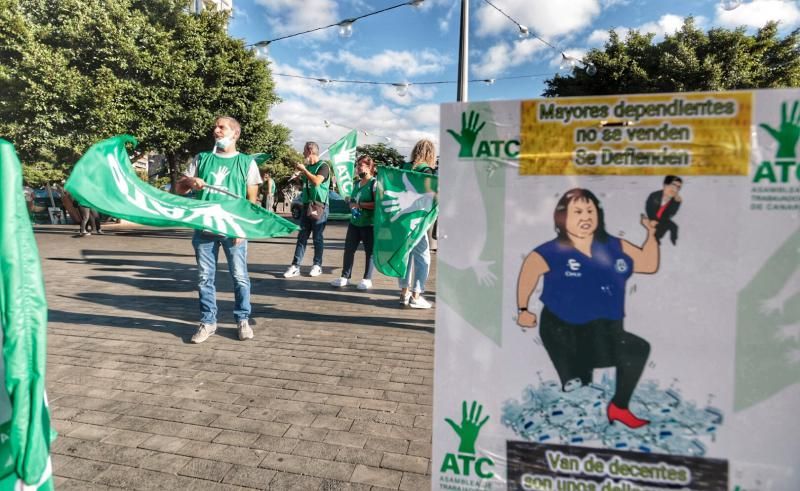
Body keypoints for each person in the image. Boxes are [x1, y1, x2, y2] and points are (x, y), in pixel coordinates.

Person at [516, 188, 659, 429]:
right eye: (578, 211)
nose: (585, 216)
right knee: (579, 391)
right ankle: (568, 435)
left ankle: (619, 408)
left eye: (590, 211)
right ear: (562, 218)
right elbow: (530, 270)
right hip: (563, 332)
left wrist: (652, 235)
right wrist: (523, 309)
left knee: (637, 350)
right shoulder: (553, 250)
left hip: (605, 331)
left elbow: (648, 264)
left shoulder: (614, 246)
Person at [176, 116, 262, 344]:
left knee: (240, 277)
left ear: (235, 133)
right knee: (205, 278)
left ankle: (242, 319)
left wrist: (242, 229)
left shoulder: (247, 163)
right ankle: (208, 322)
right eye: (215, 126)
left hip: (233, 230)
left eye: (221, 127)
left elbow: (251, 202)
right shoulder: (202, 158)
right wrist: (190, 182)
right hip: (204, 228)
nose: (216, 130)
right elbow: (179, 188)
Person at [398, 139, 437, 309]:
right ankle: (416, 295)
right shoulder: (427, 171)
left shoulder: (403, 167)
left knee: (405, 257)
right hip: (417, 219)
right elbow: (430, 194)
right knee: (423, 258)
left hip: (401, 219)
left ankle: (403, 293)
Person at [283, 142, 331, 278]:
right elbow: (307, 183)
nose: (303, 154)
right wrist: (298, 177)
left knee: (317, 237)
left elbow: (316, 181)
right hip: (306, 205)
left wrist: (304, 170)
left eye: (304, 152)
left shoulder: (323, 166)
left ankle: (317, 265)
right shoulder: (309, 167)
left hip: (319, 205)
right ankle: (295, 266)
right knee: (302, 237)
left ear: (310, 151)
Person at [330, 155, 377, 290]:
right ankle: (345, 277)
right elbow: (353, 201)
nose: (357, 169)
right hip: (355, 223)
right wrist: (350, 203)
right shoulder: (357, 183)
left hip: (369, 224)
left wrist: (359, 204)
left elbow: (377, 204)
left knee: (370, 252)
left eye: (360, 166)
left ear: (369, 167)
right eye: (357, 166)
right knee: (349, 250)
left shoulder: (374, 183)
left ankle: (367, 279)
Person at [645, 176, 683, 245]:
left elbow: (671, 214)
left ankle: (674, 242)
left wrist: (676, 203)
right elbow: (649, 208)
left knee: (674, 227)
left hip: (663, 219)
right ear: (665, 185)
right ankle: (655, 239)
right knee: (656, 227)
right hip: (652, 217)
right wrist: (652, 219)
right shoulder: (655, 195)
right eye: (673, 185)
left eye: (678, 187)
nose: (675, 189)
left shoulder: (674, 200)